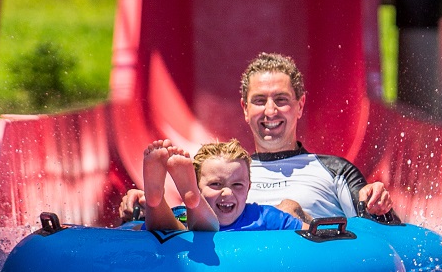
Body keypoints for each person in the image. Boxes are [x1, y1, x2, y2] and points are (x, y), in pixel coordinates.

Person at [122, 53, 397, 224]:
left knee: (290, 210)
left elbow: (381, 238)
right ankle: (154, 206)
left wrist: (378, 207)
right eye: (259, 101)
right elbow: (193, 221)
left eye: (281, 100)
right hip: (232, 271)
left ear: (300, 105)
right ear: (245, 109)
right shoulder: (227, 168)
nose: (270, 111)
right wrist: (145, 207)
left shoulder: (334, 170)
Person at [140, 138, 305, 233]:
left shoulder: (266, 217)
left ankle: (156, 202)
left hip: (188, 239)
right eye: (216, 184)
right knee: (173, 229)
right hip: (182, 228)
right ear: (197, 186)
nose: (227, 192)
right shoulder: (262, 219)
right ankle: (155, 201)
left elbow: (311, 234)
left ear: (248, 188)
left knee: (191, 230)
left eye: (237, 185)